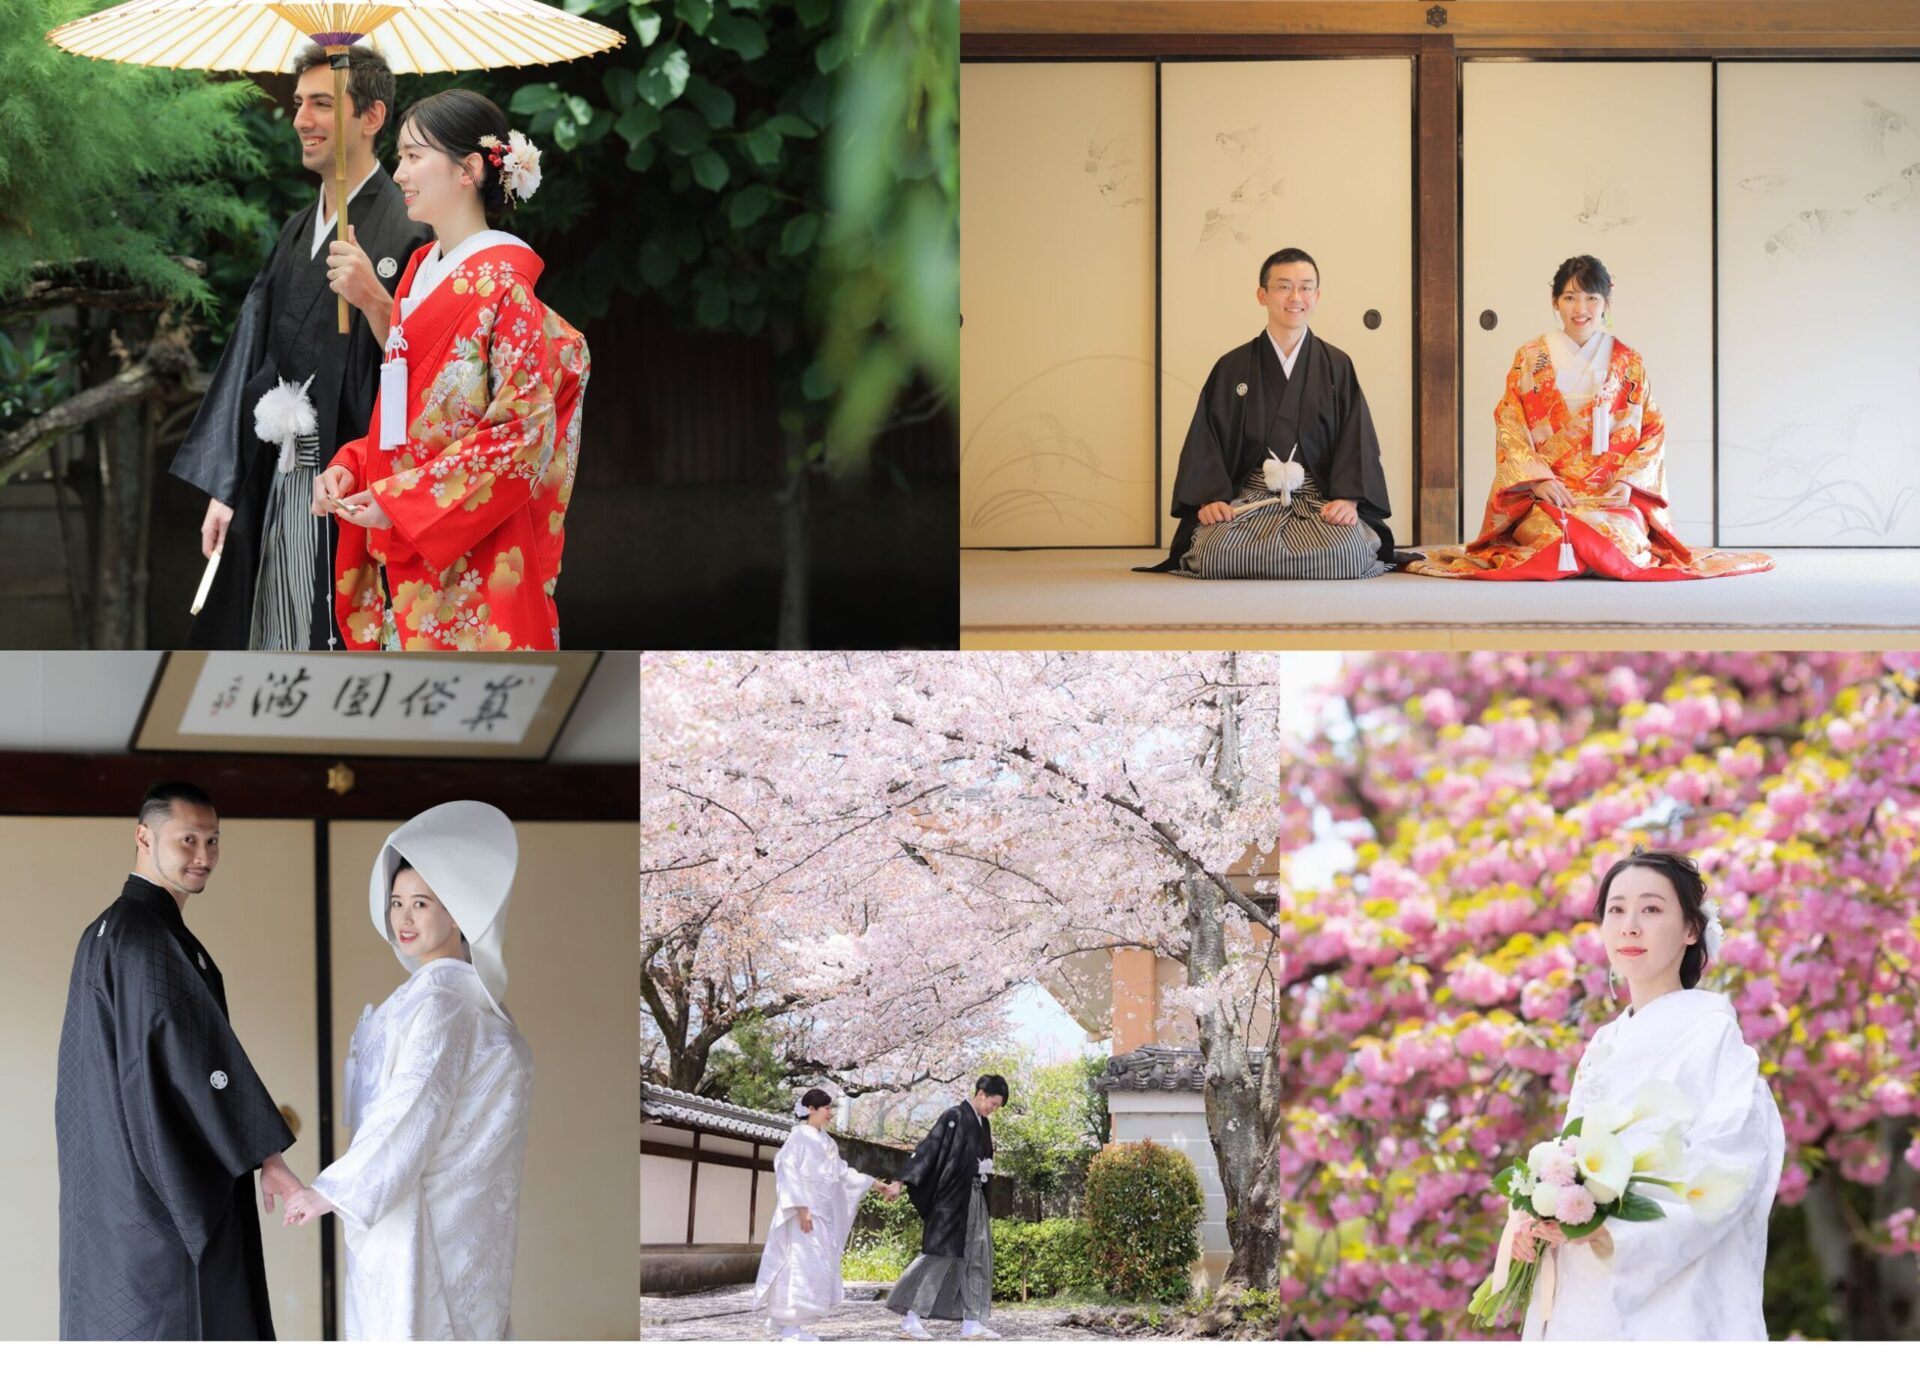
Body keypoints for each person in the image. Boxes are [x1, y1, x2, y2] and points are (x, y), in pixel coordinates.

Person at [171, 45, 432, 649]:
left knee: (345, 637)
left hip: (357, 483)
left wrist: (374, 299)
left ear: (371, 118)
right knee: (276, 630)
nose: (300, 121)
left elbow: (437, 370)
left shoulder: (410, 228)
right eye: (298, 104)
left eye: (321, 103)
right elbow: (249, 360)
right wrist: (227, 486)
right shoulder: (296, 231)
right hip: (277, 474)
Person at [312, 89, 590, 651]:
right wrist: (358, 467)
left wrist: (400, 498)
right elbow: (413, 421)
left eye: (415, 156)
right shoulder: (421, 270)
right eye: (401, 156)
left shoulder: (505, 286)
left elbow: (519, 436)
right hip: (417, 537)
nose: (399, 171)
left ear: (467, 170)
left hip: (479, 557)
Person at [55, 782, 302, 1339]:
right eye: (187, 839)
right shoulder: (147, 940)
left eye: (213, 841)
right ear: (144, 837)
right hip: (155, 1201)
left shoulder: (106, 932)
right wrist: (267, 1153)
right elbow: (195, 1057)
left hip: (110, 1195)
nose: (204, 856)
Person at [281, 801, 533, 1340]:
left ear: (460, 911)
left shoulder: (441, 1004)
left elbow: (414, 1105)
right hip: (452, 1221)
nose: (404, 918)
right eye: (397, 903)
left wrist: (335, 1190)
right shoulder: (459, 1001)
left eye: (421, 902)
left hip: (422, 1219)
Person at [1513, 848, 1783, 1340]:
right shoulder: (1603, 1043)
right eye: (1616, 910)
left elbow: (1733, 1167)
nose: (1629, 926)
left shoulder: (1713, 1036)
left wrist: (1620, 1233)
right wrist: (1540, 1210)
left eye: (1651, 909)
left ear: (1690, 930)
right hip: (1584, 1286)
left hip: (1671, 1290)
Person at [1409, 255, 1773, 580]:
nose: (1580, 308)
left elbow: (1652, 428)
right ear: (1555, 302)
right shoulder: (1530, 357)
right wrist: (1537, 481)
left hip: (1610, 495)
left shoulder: (1627, 361)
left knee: (1625, 542)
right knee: (1552, 540)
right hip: (1551, 495)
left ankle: (1595, 554)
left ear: (1606, 304)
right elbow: (1510, 423)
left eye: (1591, 298)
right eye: (1569, 297)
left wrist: (1629, 483)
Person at [1138, 248, 1399, 578]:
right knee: (1213, 552)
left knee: (1346, 552)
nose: (1296, 297)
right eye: (1283, 286)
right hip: (1250, 498)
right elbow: (1208, 438)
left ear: (1317, 296)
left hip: (1317, 499)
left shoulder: (1337, 365)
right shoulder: (1232, 366)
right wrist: (1211, 499)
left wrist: (1348, 500)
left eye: (1306, 287)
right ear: (1262, 295)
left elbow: (1356, 438)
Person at [752, 1088, 902, 1340]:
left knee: (816, 1266)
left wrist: (877, 1185)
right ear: (811, 1109)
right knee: (799, 1264)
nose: (830, 1113)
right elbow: (787, 1170)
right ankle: (789, 1325)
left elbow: (842, 1173)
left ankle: (783, 1322)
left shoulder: (827, 1142)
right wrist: (800, 1208)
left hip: (821, 1215)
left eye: (831, 1108)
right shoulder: (799, 1138)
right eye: (826, 1108)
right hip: (803, 1214)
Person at [886, 1073, 1007, 1340]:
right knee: (938, 1256)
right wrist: (900, 1181)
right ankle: (911, 1317)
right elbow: (928, 1149)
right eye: (993, 1104)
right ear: (981, 1093)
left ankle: (972, 1321)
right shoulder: (954, 1115)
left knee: (977, 1257)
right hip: (952, 1200)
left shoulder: (982, 1124)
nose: (992, 1110)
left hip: (974, 1198)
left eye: (996, 1107)